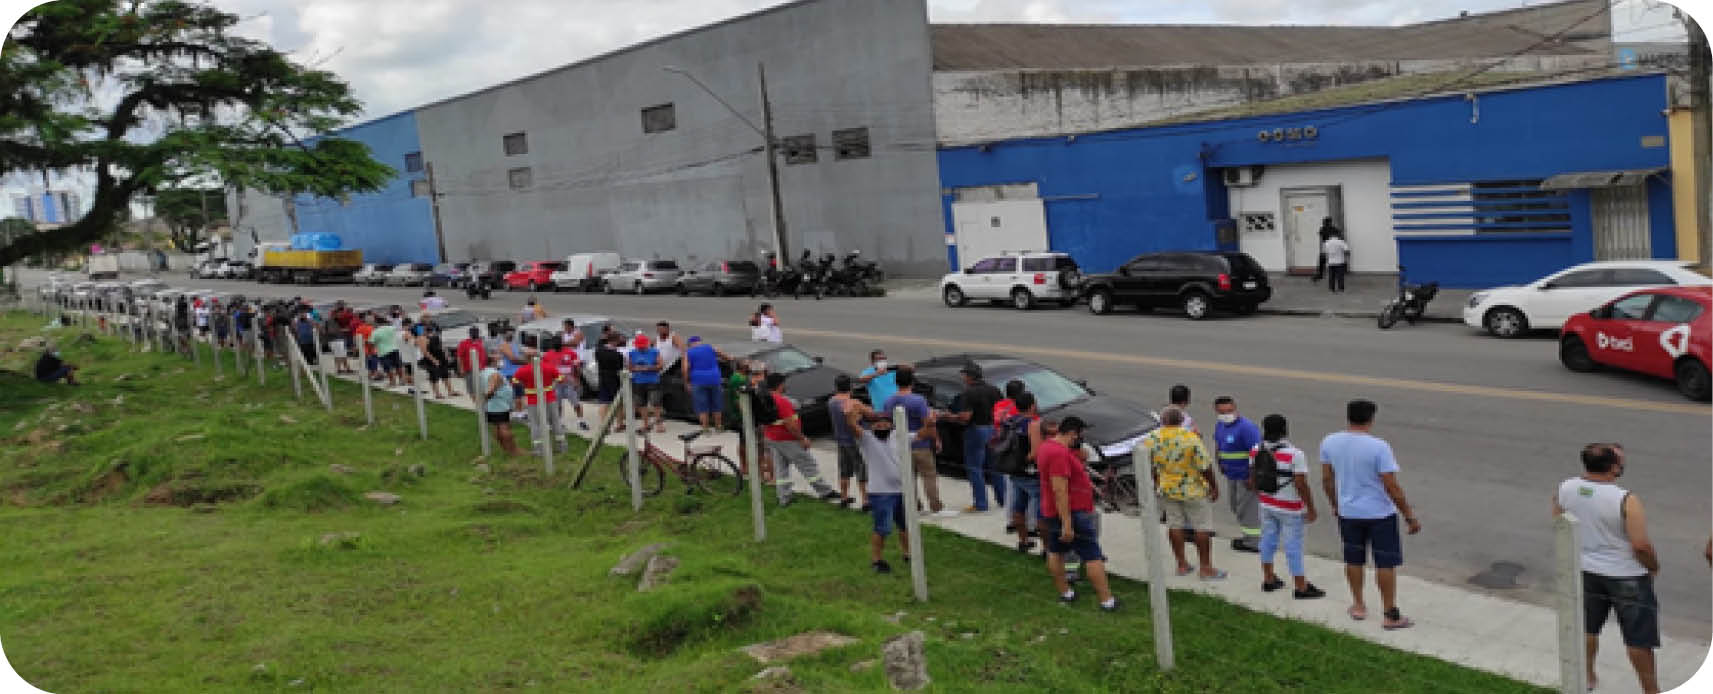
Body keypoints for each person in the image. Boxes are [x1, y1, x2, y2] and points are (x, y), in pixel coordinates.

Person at [1553, 443, 1661, 694]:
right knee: (1638, 639)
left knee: (1588, 628)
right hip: (1627, 576)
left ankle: (1588, 676)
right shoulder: (1625, 499)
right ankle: (1650, 690)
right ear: (1614, 467)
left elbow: (1559, 522)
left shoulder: (1566, 488)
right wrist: (1653, 567)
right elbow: (1640, 545)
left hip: (1585, 570)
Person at [1320, 399, 1420, 629]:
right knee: (1385, 562)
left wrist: (1335, 503)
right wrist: (1409, 515)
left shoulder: (1330, 442)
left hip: (1349, 512)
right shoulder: (1378, 447)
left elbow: (1327, 478)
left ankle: (1358, 605)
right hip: (1379, 514)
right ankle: (1389, 613)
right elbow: (1391, 485)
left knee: (1353, 559)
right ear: (1371, 419)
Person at [1039, 416, 1118, 611]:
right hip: (1073, 512)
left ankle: (1066, 592)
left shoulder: (1047, 447)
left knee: (1055, 552)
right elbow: (1060, 490)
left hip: (1053, 511)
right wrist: (1067, 523)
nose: (1081, 439)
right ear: (1073, 433)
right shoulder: (1060, 454)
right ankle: (1107, 601)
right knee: (1092, 556)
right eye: (1080, 435)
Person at [1143, 406, 1224, 580]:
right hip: (1193, 489)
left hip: (1167, 489)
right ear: (1180, 420)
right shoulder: (1190, 438)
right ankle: (1206, 568)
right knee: (1202, 528)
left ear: (1162, 421)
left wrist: (1156, 481)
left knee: (1174, 525)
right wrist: (1214, 486)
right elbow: (1205, 466)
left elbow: (1148, 464)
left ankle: (1181, 564)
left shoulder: (1152, 439)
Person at [1250, 414, 1324, 599]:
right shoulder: (1295, 454)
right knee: (1293, 546)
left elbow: (1253, 478)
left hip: (1266, 504)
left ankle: (1268, 578)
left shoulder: (1255, 450)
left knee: (1267, 540)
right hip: (1290, 508)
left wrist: (1261, 495)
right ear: (1285, 430)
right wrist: (1311, 508)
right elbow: (1301, 484)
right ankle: (1300, 586)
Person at [846, 387, 910, 573]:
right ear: (871, 426)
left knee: (905, 525)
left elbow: (922, 434)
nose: (881, 426)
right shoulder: (866, 439)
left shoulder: (897, 437)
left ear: (891, 425)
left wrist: (930, 425)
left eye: (885, 424)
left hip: (901, 490)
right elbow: (851, 425)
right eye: (877, 424)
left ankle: (907, 553)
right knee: (882, 528)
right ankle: (877, 560)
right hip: (881, 493)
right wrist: (853, 410)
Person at [880, 368, 952, 517]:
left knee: (908, 478)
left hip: (900, 445)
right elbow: (928, 423)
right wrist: (936, 439)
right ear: (912, 382)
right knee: (929, 476)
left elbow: (887, 423)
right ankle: (936, 507)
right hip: (921, 445)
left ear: (896, 382)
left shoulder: (889, 401)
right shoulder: (918, 400)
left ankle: (914, 506)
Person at [759, 372, 838, 507]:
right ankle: (825, 492)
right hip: (787, 439)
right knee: (808, 464)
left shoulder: (766, 399)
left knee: (781, 469)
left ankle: (784, 497)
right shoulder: (782, 401)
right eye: (784, 383)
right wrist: (802, 438)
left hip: (772, 437)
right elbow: (790, 424)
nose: (786, 386)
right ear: (780, 385)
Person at [953, 363, 1005, 513]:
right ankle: (1003, 499)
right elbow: (1002, 411)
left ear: (969, 376)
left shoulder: (969, 393)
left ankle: (981, 503)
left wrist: (951, 416)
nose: (963, 378)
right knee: (995, 467)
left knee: (975, 468)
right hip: (994, 429)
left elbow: (966, 417)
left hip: (977, 430)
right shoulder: (994, 390)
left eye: (964, 375)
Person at [1213, 396, 1263, 552]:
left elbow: (1257, 453)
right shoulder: (1220, 425)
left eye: (1229, 411)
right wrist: (1219, 461)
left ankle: (1253, 542)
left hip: (1245, 476)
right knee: (1236, 506)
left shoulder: (1247, 428)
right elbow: (1219, 444)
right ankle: (1250, 537)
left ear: (1235, 408)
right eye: (1222, 412)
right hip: (1231, 474)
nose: (1226, 414)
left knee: (1248, 510)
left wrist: (1252, 476)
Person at [1004, 392, 1044, 553]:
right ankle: (1047, 548)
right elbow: (1035, 452)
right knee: (1042, 512)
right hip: (1031, 473)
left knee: (1018, 507)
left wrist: (1016, 463)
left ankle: (1023, 541)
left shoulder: (1009, 422)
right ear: (1033, 406)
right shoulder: (1033, 425)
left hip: (1015, 471)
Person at [511, 342, 565, 454]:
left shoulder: (523, 370)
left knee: (535, 424)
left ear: (528, 358)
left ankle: (538, 449)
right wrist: (552, 386)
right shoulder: (548, 367)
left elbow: (514, 381)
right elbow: (560, 378)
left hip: (532, 400)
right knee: (555, 422)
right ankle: (561, 446)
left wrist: (525, 385)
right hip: (550, 398)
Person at [828, 374, 868, 510]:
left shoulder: (832, 402)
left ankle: (844, 497)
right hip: (854, 441)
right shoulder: (853, 403)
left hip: (841, 441)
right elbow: (868, 413)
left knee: (844, 471)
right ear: (850, 387)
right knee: (861, 470)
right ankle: (865, 501)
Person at [476, 352, 521, 457]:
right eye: (499, 359)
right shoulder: (494, 373)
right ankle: (513, 450)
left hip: (493, 405)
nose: (502, 361)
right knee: (504, 428)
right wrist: (489, 394)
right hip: (499, 404)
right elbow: (491, 387)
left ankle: (505, 449)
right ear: (493, 362)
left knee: (497, 428)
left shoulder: (483, 372)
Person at [682, 336, 725, 434]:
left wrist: (687, 382)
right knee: (717, 405)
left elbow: (685, 369)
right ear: (700, 342)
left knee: (702, 406)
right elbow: (723, 355)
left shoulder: (688, 353)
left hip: (698, 381)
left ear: (690, 345)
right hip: (714, 379)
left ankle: (706, 429)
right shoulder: (709, 347)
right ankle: (718, 427)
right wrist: (729, 359)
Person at [548, 337, 588, 431]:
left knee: (575, 402)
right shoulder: (548, 355)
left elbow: (577, 366)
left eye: (558, 344)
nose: (557, 347)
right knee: (557, 403)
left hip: (569, 382)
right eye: (555, 345)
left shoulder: (570, 353)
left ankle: (581, 420)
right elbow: (546, 370)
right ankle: (559, 422)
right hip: (556, 383)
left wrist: (577, 379)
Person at [628, 334, 665, 433]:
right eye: (639, 346)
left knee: (656, 403)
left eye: (642, 346)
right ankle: (645, 424)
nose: (641, 348)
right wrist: (635, 369)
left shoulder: (655, 352)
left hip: (652, 380)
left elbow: (661, 365)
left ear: (647, 344)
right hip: (638, 381)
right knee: (641, 404)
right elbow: (630, 367)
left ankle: (659, 424)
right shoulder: (632, 353)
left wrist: (649, 368)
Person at [594, 332, 626, 432]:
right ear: (615, 341)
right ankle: (619, 424)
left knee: (604, 402)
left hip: (602, 378)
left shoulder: (599, 351)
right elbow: (620, 369)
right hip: (614, 379)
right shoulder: (617, 355)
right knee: (618, 403)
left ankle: (604, 426)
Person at [418, 324, 460, 399]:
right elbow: (425, 352)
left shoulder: (436, 336)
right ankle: (437, 393)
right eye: (428, 331)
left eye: (431, 331)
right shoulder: (422, 338)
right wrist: (434, 360)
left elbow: (441, 346)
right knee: (434, 377)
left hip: (441, 358)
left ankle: (450, 391)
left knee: (445, 374)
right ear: (425, 331)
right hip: (431, 360)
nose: (431, 333)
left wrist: (446, 355)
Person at [368, 314, 404, 387]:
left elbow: (370, 343)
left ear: (377, 323)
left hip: (383, 351)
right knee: (398, 366)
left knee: (388, 367)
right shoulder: (392, 328)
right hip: (394, 349)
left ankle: (392, 382)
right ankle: (401, 380)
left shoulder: (375, 332)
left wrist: (372, 351)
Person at [1312, 217, 1340, 283]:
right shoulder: (1334, 229)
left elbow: (1321, 239)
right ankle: (1335, 274)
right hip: (1333, 245)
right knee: (1333, 260)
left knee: (1322, 260)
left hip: (1326, 245)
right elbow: (1339, 236)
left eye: (1324, 222)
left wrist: (1321, 249)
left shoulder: (1323, 229)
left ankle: (1320, 274)